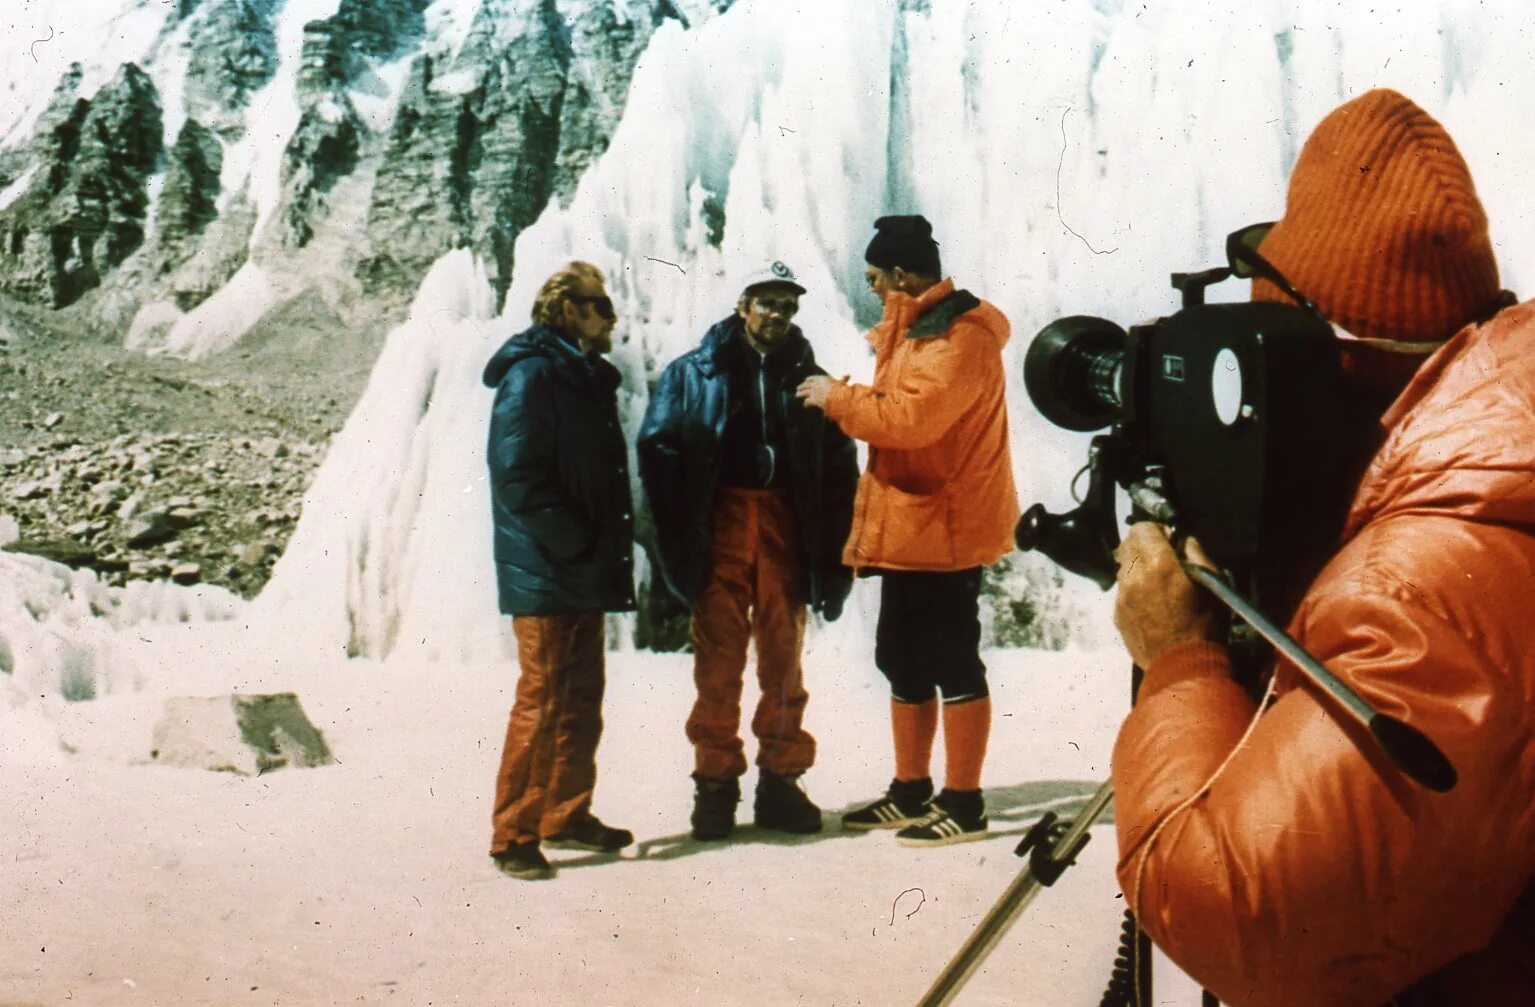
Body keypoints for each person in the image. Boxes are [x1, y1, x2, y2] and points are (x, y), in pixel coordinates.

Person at [1111, 89, 1535, 1005]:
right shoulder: (1494, 462)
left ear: (1323, 348)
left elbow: (1243, 910)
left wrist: (1181, 665)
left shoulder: (1419, 582)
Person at [797, 216, 1019, 847]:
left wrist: (837, 399)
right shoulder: (922, 332)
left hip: (945, 527)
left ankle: (965, 803)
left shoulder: (958, 336)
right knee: (900, 657)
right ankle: (912, 790)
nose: (869, 287)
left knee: (951, 659)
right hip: (919, 524)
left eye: (874, 277)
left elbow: (913, 420)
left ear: (900, 274)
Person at [637, 261, 858, 840]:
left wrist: (834, 554)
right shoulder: (695, 373)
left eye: (788, 305)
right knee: (719, 657)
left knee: (783, 659)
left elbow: (839, 468)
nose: (779, 315)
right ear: (743, 305)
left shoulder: (811, 379)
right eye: (768, 303)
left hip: (785, 520)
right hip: (722, 523)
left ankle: (780, 781)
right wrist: (681, 532)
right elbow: (657, 448)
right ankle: (715, 783)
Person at [482, 261, 636, 880]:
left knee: (580, 700)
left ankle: (565, 814)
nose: (611, 316)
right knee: (542, 700)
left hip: (577, 565)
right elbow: (517, 474)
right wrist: (574, 543)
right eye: (600, 305)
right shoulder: (533, 376)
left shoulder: (582, 376)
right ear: (568, 309)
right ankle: (512, 834)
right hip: (548, 568)